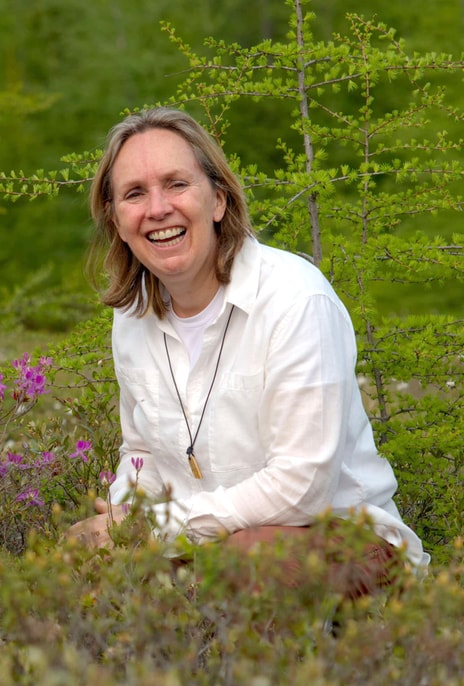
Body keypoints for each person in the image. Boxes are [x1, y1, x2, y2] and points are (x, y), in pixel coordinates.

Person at [68, 107, 427, 596]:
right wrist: (125, 521)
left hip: (343, 541)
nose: (157, 208)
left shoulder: (295, 300)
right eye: (134, 193)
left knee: (249, 560)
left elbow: (302, 487)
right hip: (209, 545)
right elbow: (142, 453)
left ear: (218, 199)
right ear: (116, 219)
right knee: (81, 560)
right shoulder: (132, 318)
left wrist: (157, 530)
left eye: (176, 184)